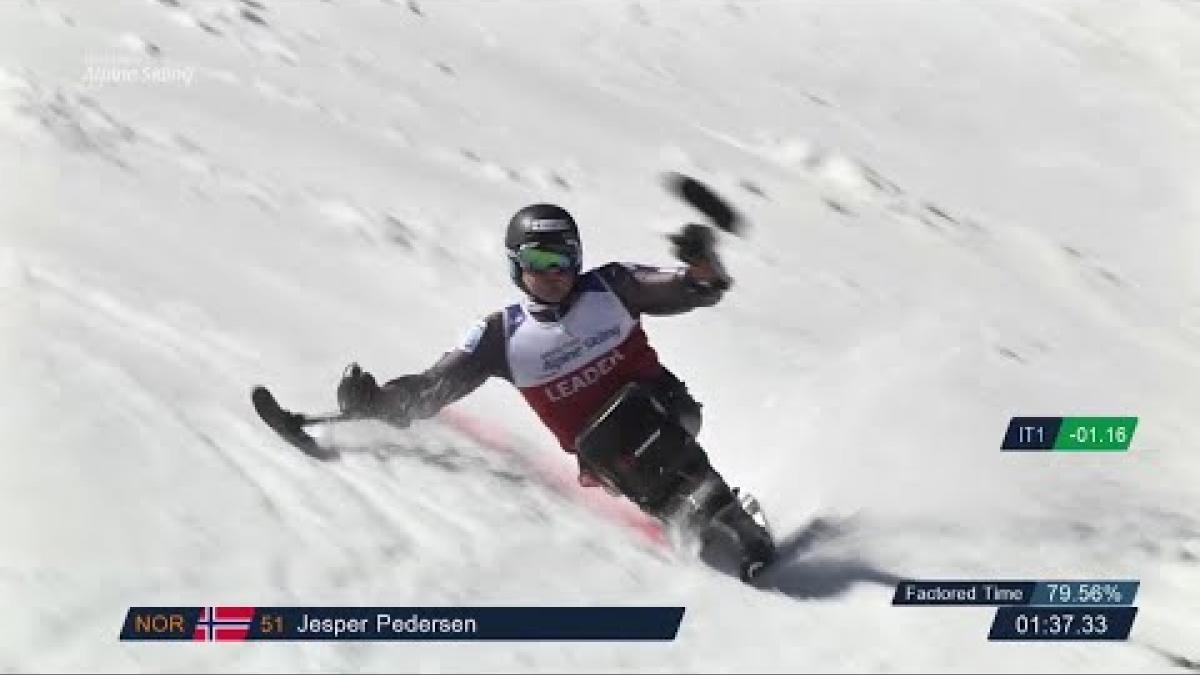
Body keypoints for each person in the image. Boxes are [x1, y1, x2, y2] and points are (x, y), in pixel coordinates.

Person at [336, 203, 775, 580]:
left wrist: (702, 266)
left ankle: (730, 515)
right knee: (608, 443)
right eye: (539, 262)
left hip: (666, 409)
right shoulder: (501, 336)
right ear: (516, 266)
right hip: (608, 459)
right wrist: (379, 402)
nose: (553, 274)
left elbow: (694, 289)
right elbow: (433, 386)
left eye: (563, 261)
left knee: (631, 416)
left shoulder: (611, 287)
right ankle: (690, 520)